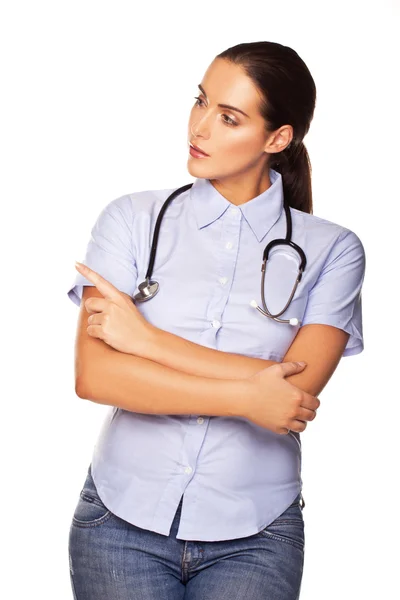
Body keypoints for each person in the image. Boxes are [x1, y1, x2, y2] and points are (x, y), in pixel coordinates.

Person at [67, 41, 366, 599]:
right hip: (120, 520)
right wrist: (247, 395)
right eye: (201, 102)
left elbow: (292, 398)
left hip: (257, 531)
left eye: (228, 117)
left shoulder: (334, 251)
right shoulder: (131, 220)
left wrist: (147, 341)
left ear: (277, 139)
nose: (199, 128)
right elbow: (98, 379)